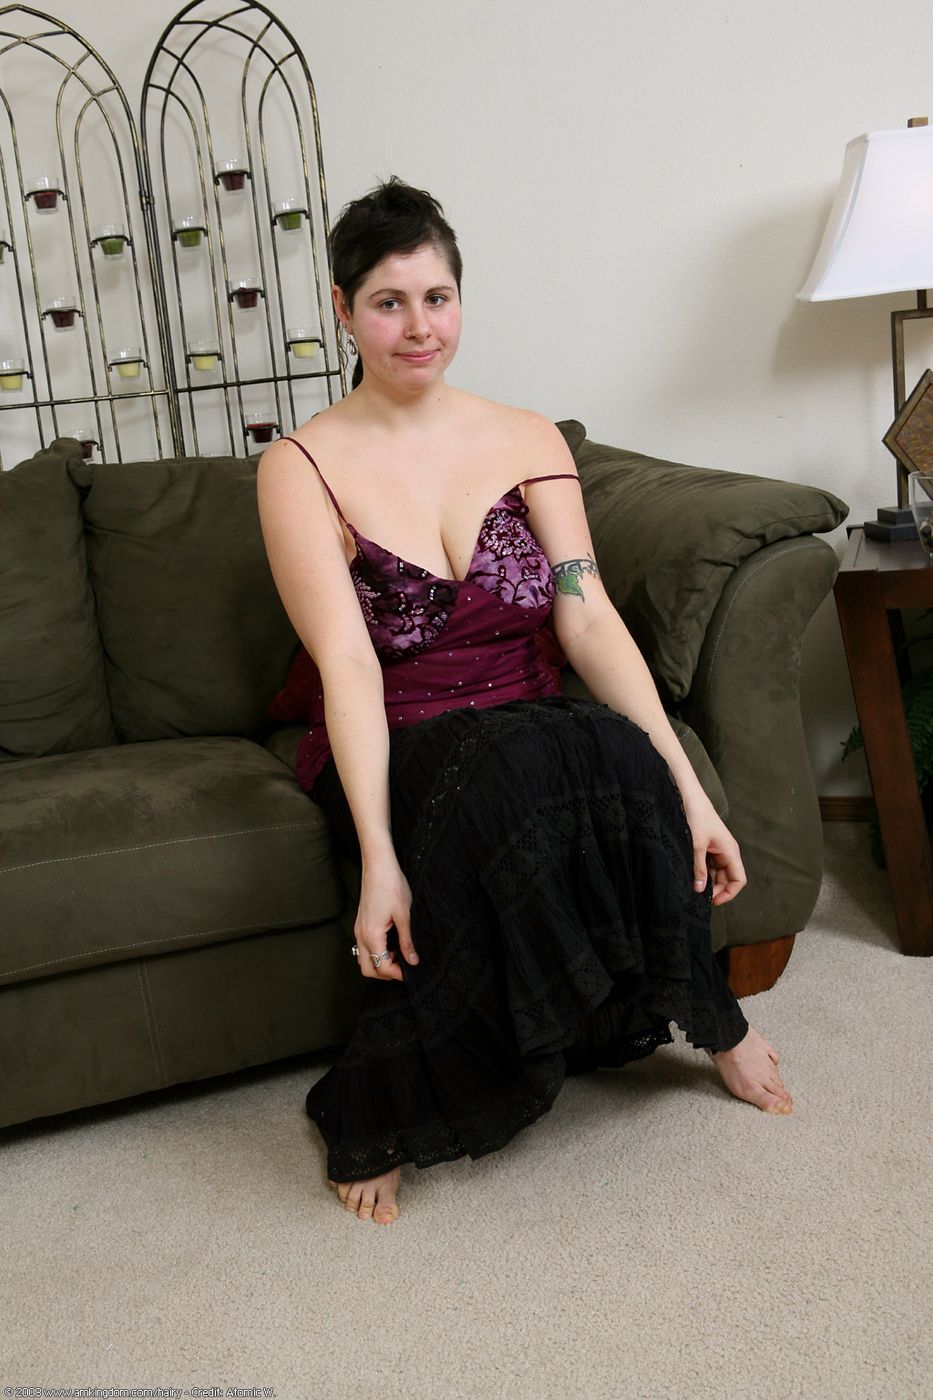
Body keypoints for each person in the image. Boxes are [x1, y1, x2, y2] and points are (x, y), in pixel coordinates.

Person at [257, 177, 792, 1226]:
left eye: (438, 297)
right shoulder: (299, 465)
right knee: (505, 776)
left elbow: (585, 617)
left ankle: (713, 1019)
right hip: (400, 733)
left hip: (525, 716)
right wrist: (379, 858)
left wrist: (692, 794)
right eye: (389, 302)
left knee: (617, 750)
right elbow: (349, 665)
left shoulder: (527, 437)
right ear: (343, 309)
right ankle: (392, 1095)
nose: (420, 327)